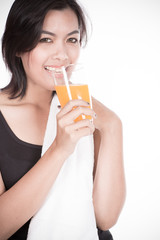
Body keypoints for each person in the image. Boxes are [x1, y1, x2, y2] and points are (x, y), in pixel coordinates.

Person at [0, 0, 126, 239]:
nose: (62, 55)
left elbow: (105, 218)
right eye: (45, 39)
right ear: (17, 46)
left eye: (72, 40)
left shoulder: (84, 108)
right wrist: (59, 149)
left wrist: (112, 126)